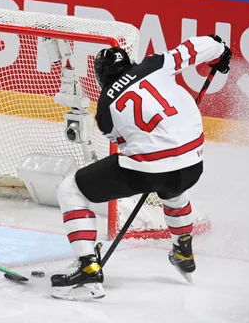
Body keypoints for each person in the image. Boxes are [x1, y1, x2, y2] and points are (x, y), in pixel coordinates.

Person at [51, 35, 232, 301]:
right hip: (193, 165)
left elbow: (124, 143)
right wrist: (219, 52)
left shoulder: (104, 109)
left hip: (148, 171)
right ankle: (183, 249)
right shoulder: (154, 64)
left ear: (102, 78)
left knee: (72, 190)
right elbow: (195, 48)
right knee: (174, 183)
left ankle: (88, 267)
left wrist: (152, 171)